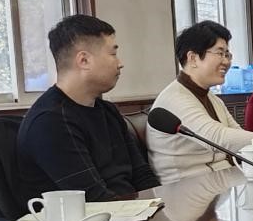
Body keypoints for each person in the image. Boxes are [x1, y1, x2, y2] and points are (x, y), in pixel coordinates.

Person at [17, 15, 160, 202]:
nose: (120, 63)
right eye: (113, 54)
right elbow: (94, 199)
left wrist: (160, 205)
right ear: (83, 60)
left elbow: (143, 177)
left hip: (129, 211)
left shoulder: (108, 111)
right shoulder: (50, 121)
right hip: (90, 219)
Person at [148, 21, 253, 183]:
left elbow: (242, 141)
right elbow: (218, 137)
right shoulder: (175, 98)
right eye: (220, 53)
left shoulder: (212, 99)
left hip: (222, 182)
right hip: (186, 187)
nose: (226, 61)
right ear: (193, 58)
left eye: (227, 54)